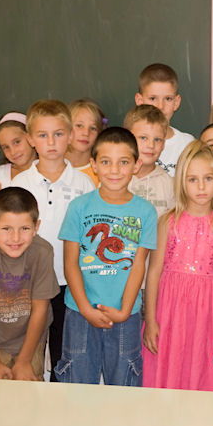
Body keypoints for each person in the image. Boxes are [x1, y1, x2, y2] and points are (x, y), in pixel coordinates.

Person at [55, 127, 157, 385]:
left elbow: (138, 266)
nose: (114, 170)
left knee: (124, 387)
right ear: (94, 165)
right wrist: (85, 309)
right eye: (106, 162)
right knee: (77, 386)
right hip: (80, 314)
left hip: (126, 315)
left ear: (136, 165)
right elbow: (70, 264)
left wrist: (124, 311)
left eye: (123, 162)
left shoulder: (145, 211)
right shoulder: (79, 207)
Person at [11, 99, 95, 381]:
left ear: (70, 136)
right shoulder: (19, 184)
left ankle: (59, 406)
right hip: (28, 284)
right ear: (30, 139)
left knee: (64, 357)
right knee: (27, 355)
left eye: (58, 134)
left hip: (69, 285)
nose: (51, 142)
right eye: (43, 135)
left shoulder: (84, 184)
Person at [142, 141, 213, 390]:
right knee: (168, 364)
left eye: (208, 178)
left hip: (205, 311)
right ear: (182, 182)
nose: (201, 187)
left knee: (200, 366)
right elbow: (153, 272)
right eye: (193, 179)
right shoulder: (168, 222)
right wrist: (150, 320)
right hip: (168, 309)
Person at [0, 187, 58, 380]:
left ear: (36, 227)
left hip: (31, 341)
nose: (15, 238)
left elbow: (40, 310)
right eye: (6, 229)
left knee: (28, 390)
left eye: (25, 229)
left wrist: (24, 361)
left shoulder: (43, 252)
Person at [134, 63, 194, 176]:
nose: (160, 106)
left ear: (176, 102)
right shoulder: (128, 142)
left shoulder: (187, 144)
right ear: (140, 101)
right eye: (153, 98)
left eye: (168, 99)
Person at [124, 105, 175, 218]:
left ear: (163, 145)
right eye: (143, 138)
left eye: (157, 140)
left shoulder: (169, 185)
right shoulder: (114, 177)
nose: (151, 145)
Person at [0, 112, 36, 202]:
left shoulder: (50, 169)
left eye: (17, 142)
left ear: (30, 137)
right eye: (6, 147)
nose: (13, 152)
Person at [66, 98, 106, 186]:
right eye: (79, 126)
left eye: (93, 128)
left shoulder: (102, 173)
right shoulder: (50, 166)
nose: (86, 133)